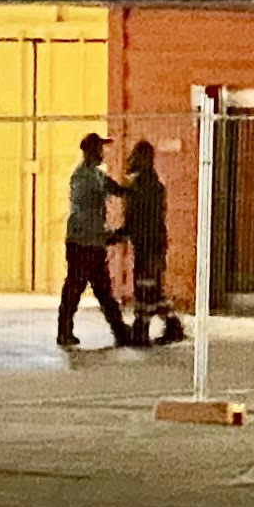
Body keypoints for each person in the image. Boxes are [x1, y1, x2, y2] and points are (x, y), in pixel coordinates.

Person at [55, 131, 132, 349]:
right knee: (75, 288)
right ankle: (65, 331)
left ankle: (119, 330)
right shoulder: (82, 178)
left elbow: (117, 190)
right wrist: (107, 236)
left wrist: (134, 190)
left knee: (101, 288)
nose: (102, 153)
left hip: (92, 243)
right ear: (90, 151)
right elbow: (86, 214)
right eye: (99, 149)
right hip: (82, 243)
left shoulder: (97, 175)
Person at [118, 139, 173, 347]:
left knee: (145, 287)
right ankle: (171, 325)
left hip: (146, 244)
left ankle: (142, 327)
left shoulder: (139, 186)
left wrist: (119, 234)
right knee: (152, 287)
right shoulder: (155, 185)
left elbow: (134, 218)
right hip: (155, 242)